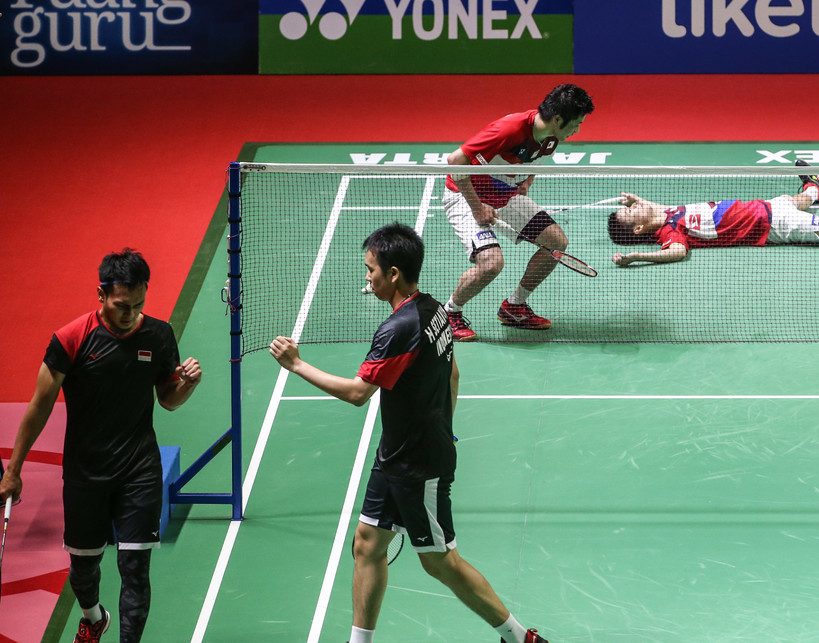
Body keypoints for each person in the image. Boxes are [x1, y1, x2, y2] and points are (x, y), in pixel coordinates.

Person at [269, 223, 549, 643]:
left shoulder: (398, 330)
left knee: (439, 562)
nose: (367, 276)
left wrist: (296, 365)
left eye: (371, 269)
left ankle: (518, 637)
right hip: (396, 455)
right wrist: (445, 430)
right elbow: (452, 373)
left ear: (393, 273)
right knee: (367, 544)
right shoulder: (435, 309)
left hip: (418, 466)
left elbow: (357, 393)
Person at [0, 249, 202, 643]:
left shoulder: (159, 335)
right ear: (101, 294)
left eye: (138, 304)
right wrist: (13, 470)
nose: (130, 313)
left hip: (139, 470)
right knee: (83, 570)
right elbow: (39, 407)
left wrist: (187, 385)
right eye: (121, 305)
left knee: (134, 568)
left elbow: (168, 399)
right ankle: (94, 618)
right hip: (86, 471)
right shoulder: (71, 339)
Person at [442, 83, 595, 341]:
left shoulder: (552, 136)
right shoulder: (510, 130)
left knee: (556, 243)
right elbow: (456, 161)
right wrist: (477, 208)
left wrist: (527, 181)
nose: (577, 129)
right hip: (465, 195)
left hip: (505, 194)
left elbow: (537, 159)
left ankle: (514, 307)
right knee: (491, 264)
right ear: (558, 119)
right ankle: (449, 313)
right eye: (575, 123)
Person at [608, 162, 819, 265]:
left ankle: (817, 191)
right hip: (777, 226)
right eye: (631, 213)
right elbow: (678, 253)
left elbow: (647, 207)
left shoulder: (664, 214)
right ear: (639, 231)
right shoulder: (669, 233)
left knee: (796, 197)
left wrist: (636, 199)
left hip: (766, 207)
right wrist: (636, 256)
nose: (635, 207)